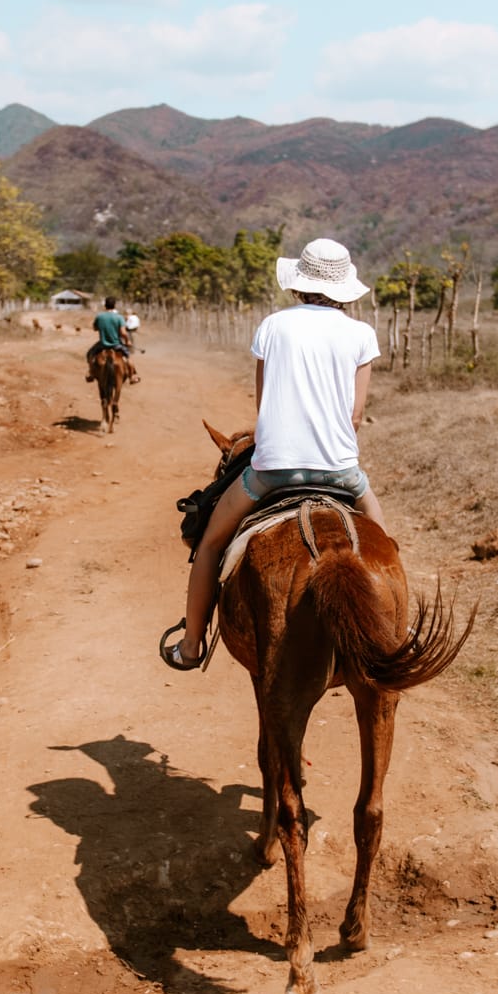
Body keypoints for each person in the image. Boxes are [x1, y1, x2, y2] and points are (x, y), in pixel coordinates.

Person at [161, 237, 386, 671]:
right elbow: (355, 417)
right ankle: (397, 629)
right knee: (385, 543)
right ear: (344, 288)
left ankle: (191, 645)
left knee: (208, 544)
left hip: (272, 471)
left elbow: (265, 408)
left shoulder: (273, 325)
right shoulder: (361, 334)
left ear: (299, 283)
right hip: (341, 472)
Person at [86, 296, 138, 384]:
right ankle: (132, 376)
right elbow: (123, 333)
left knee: (90, 354)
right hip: (116, 344)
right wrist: (127, 341)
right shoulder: (119, 317)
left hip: (102, 344)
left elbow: (95, 328)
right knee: (128, 357)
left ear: (105, 305)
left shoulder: (100, 316)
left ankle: (91, 373)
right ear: (114, 305)